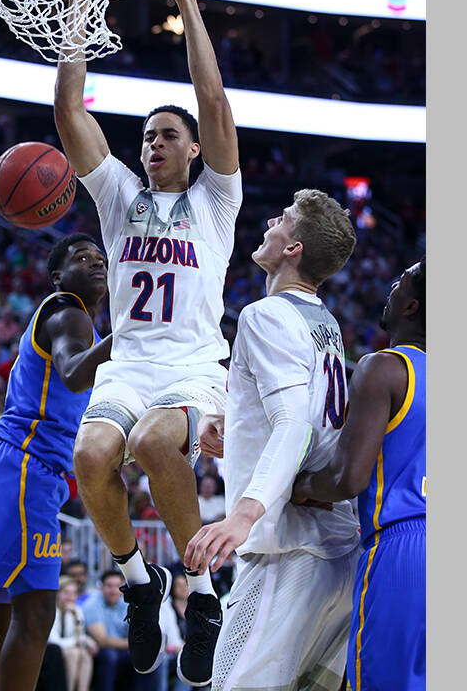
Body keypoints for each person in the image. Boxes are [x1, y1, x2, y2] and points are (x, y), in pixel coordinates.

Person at [55, 0, 241, 687]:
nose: (152, 143)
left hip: (194, 365)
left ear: (194, 150)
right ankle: (140, 582)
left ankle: (200, 593)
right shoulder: (117, 199)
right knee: (92, 458)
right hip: (131, 362)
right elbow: (71, 112)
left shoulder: (216, 202)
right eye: (147, 137)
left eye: (168, 135)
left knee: (158, 440)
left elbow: (215, 99)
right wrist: (78, 4)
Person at [184, 191, 365, 691]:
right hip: (336, 552)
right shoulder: (323, 322)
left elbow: (293, 425)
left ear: (293, 248)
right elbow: (306, 419)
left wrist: (241, 515)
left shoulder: (265, 315)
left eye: (283, 219)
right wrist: (234, 426)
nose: (270, 221)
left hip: (288, 550)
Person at [0, 234, 113, 691]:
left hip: (16, 468)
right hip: (24, 468)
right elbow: (72, 374)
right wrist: (130, 332)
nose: (94, 263)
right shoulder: (68, 312)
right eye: (81, 258)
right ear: (58, 276)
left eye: (99, 258)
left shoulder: (74, 320)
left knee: (3, 619)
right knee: (35, 617)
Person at [292, 258, 426, 691]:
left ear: (411, 307)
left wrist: (297, 486)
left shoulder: (384, 367)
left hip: (405, 547)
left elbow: (348, 479)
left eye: (399, 283)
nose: (390, 289)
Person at [49, 576, 97, 691]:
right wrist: (80, 640)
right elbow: (53, 640)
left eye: (73, 593)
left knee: (85, 654)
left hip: (69, 648)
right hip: (51, 650)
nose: (70, 597)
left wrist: (76, 617)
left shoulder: (76, 610)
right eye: (66, 593)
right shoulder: (51, 610)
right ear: (57, 593)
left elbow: (79, 636)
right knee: (74, 653)